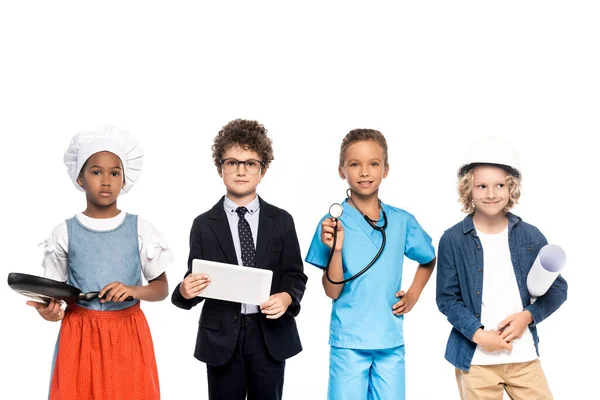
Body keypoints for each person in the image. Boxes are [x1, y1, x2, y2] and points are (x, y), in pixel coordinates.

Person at [29, 125, 173, 399]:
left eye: (114, 173)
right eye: (96, 172)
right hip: (79, 333)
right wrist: (50, 312)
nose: (105, 180)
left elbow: (161, 287)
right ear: (80, 178)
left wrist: (134, 290)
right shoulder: (64, 232)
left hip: (128, 333)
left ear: (124, 179)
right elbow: (56, 294)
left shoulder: (140, 228)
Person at [171, 119, 307, 400]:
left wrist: (286, 298)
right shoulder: (203, 224)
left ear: (263, 169)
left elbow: (295, 275)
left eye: (250, 163)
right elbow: (196, 277)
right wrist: (185, 290)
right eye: (232, 162)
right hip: (221, 338)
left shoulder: (281, 221)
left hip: (268, 334)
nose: (241, 170)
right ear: (219, 167)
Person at [305, 128, 436, 400]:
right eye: (355, 164)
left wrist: (413, 294)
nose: (364, 172)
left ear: (385, 169)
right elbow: (332, 291)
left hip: (390, 340)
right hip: (349, 343)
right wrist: (337, 250)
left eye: (373, 164)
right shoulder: (331, 224)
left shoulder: (402, 221)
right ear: (342, 170)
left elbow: (428, 258)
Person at [436, 137, 568, 399]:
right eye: (481, 186)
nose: (491, 193)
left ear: (511, 188)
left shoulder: (530, 236)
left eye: (500, 185)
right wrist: (479, 335)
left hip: (524, 359)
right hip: (476, 362)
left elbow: (558, 288)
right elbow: (447, 299)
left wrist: (527, 317)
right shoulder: (452, 239)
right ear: (468, 189)